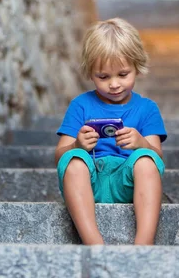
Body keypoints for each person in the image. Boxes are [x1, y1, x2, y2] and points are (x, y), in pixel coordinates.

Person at [54, 17, 167, 245]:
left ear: (137, 67)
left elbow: (158, 156)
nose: (114, 84)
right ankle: (95, 246)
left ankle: (143, 245)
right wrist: (77, 145)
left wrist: (141, 143)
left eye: (123, 75)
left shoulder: (147, 109)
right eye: (103, 77)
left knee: (146, 161)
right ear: (90, 73)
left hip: (128, 182)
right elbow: (59, 155)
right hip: (90, 181)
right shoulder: (80, 105)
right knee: (74, 162)